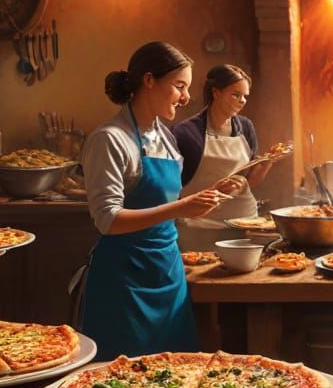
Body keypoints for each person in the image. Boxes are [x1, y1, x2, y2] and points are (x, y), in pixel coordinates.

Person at [80, 42, 239, 358]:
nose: (187, 97)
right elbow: (107, 219)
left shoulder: (165, 137)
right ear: (149, 80)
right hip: (124, 281)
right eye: (179, 86)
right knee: (119, 386)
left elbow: (165, 201)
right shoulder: (110, 139)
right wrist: (182, 206)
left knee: (176, 377)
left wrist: (208, 193)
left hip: (167, 272)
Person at [173, 64, 274, 252]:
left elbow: (250, 182)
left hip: (243, 224)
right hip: (200, 228)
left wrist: (267, 163)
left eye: (245, 96)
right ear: (216, 92)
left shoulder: (246, 127)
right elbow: (172, 187)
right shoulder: (186, 133)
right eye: (235, 95)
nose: (242, 101)